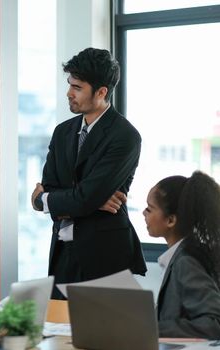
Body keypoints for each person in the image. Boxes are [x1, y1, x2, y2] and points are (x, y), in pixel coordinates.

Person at [31, 47, 146, 299]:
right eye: (70, 84)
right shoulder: (62, 132)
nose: (69, 93)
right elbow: (65, 191)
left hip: (104, 256)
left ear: (102, 92)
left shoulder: (125, 136)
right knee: (58, 332)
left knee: (102, 336)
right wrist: (86, 200)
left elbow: (70, 197)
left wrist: (46, 200)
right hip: (62, 252)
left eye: (78, 87)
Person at [143, 171, 220, 338]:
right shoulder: (181, 255)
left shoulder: (186, 261)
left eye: (149, 208)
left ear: (171, 220)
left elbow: (213, 324)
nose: (144, 213)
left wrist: (152, 329)